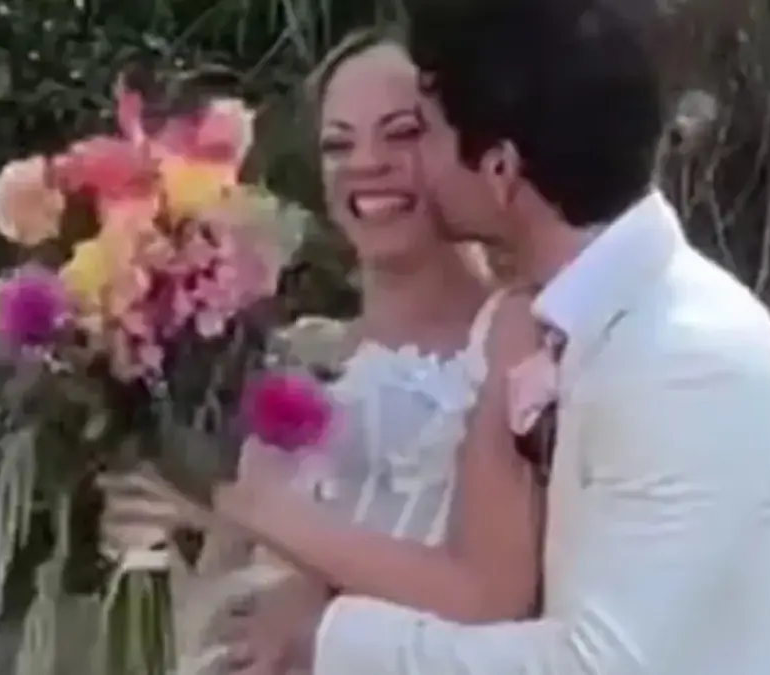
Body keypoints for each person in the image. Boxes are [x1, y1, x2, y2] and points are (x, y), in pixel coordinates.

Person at [298, 0, 770, 672]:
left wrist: (326, 640)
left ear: (500, 170)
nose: (410, 164)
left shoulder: (689, 358)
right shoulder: (559, 321)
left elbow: (593, 664)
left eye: (424, 132)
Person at [99, 27, 547, 674]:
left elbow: (511, 603)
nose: (366, 163)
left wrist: (322, 612)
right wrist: (159, 536)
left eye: (402, 133)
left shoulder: (521, 343)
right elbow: (222, 598)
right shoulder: (291, 359)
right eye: (339, 144)